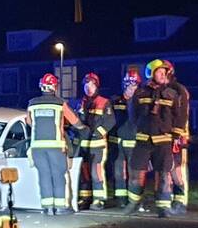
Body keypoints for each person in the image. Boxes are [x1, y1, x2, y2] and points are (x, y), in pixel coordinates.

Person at [123, 59, 180, 217]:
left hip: (163, 140)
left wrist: (175, 134)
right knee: (136, 173)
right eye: (159, 72)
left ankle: (163, 207)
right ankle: (134, 203)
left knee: (163, 174)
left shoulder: (172, 94)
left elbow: (178, 116)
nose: (163, 75)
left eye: (164, 72)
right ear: (151, 73)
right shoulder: (140, 93)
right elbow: (133, 115)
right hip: (143, 140)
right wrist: (141, 128)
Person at [27, 73, 86, 216]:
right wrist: (83, 127)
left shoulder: (32, 103)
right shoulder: (59, 103)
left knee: (44, 176)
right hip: (56, 146)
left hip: (37, 148)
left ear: (41, 86)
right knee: (59, 175)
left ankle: (48, 207)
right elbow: (74, 120)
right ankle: (60, 207)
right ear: (54, 87)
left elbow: (29, 122)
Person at [75, 72, 115, 210]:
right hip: (83, 145)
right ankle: (85, 198)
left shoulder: (104, 102)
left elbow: (110, 121)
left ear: (96, 86)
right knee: (84, 172)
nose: (89, 88)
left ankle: (99, 199)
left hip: (97, 145)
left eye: (91, 85)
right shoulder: (81, 103)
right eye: (86, 85)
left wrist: (97, 133)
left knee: (95, 172)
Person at [107, 69, 142, 208]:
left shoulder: (140, 102)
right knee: (118, 172)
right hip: (116, 142)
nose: (131, 88)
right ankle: (120, 199)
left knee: (134, 172)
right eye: (129, 85)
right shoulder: (115, 100)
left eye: (134, 85)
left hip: (133, 142)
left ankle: (133, 200)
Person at [164, 61, 191, 216]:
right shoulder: (162, 89)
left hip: (178, 138)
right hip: (165, 136)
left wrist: (177, 134)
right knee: (167, 169)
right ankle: (169, 199)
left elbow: (182, 114)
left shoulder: (179, 90)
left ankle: (181, 201)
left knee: (178, 169)